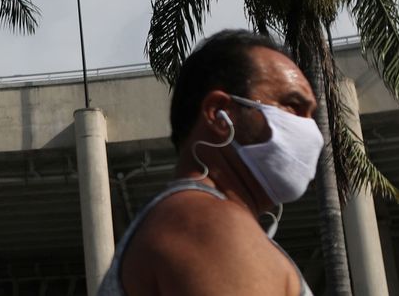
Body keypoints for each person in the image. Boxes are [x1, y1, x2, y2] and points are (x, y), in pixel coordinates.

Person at [98, 30, 324, 296]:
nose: (310, 129)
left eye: (310, 115)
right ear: (219, 114)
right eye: (293, 105)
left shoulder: (205, 220)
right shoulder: (211, 224)